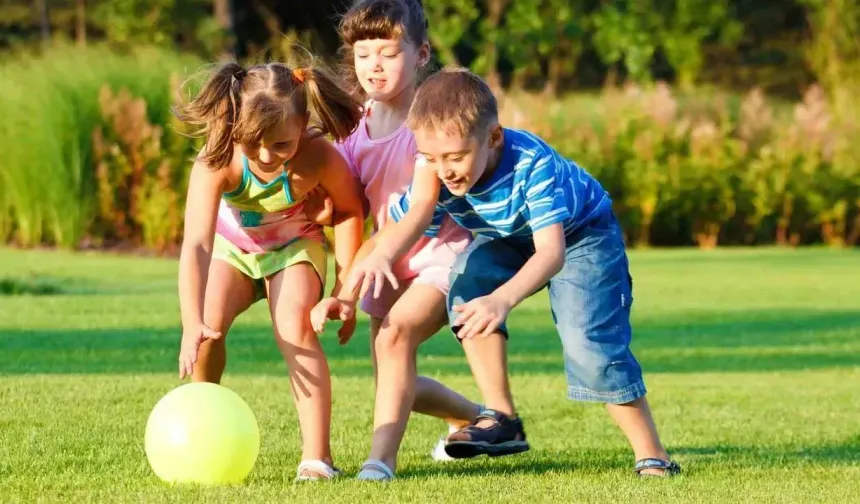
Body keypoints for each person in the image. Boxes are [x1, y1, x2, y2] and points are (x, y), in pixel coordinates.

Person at [347, 68, 681, 477]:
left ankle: (653, 455)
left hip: (581, 235)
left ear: (493, 137)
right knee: (467, 283)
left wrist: (502, 299)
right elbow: (402, 224)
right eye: (431, 159)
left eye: (456, 157)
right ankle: (501, 418)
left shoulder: (529, 163)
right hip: (507, 238)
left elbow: (551, 253)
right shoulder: (435, 173)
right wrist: (359, 277)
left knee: (588, 344)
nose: (445, 170)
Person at [310, 0, 523, 482]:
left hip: (441, 254)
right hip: (387, 260)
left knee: (396, 337)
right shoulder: (355, 128)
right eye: (364, 55)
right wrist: (342, 289)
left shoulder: (430, 121)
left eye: (388, 53)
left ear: (421, 53)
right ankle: (474, 418)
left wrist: (368, 264)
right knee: (392, 374)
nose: (374, 66)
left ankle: (379, 463)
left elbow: (423, 207)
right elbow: (347, 207)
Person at [173, 61, 366, 481]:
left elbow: (351, 211)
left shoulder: (318, 156)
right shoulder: (218, 156)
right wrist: (192, 323)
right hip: (235, 249)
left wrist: (345, 291)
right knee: (209, 331)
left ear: (303, 124)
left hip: (295, 247)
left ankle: (318, 459)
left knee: (293, 328)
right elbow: (198, 244)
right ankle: (204, 430)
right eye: (252, 142)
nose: (264, 155)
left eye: (280, 145)